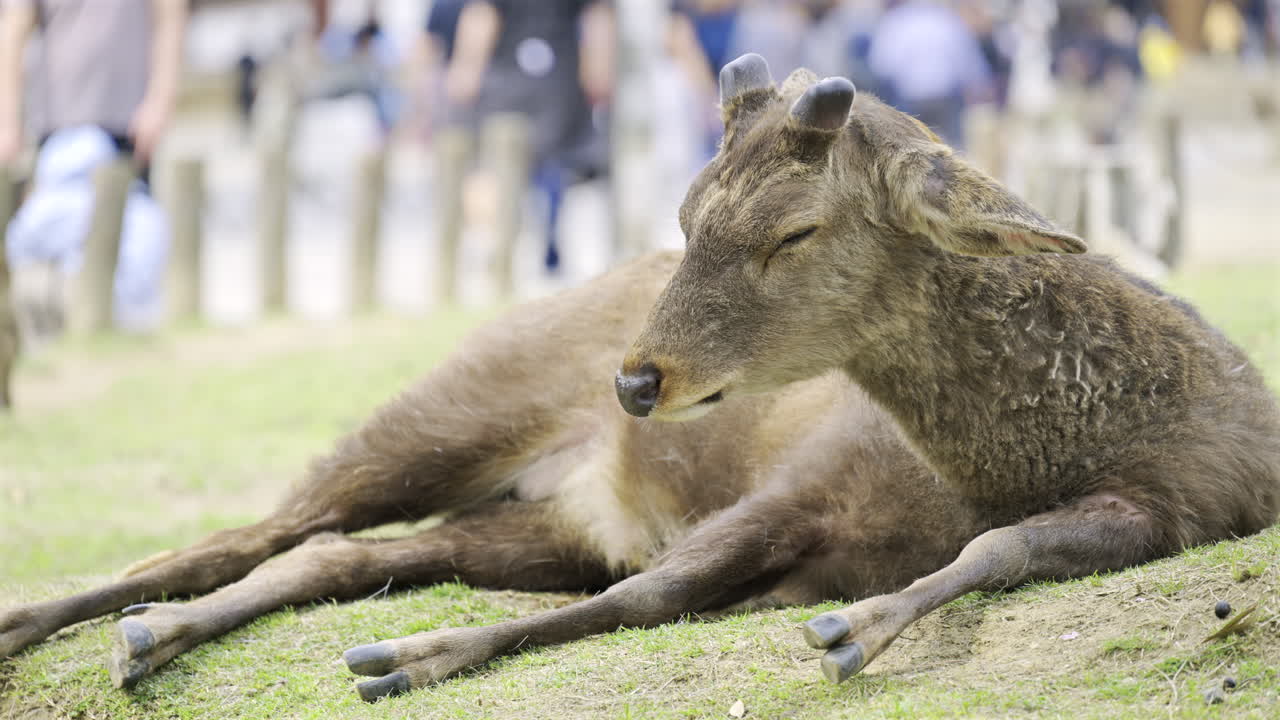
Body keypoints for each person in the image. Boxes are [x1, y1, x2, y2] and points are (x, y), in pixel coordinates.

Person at [0, 0, 186, 332]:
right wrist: (7, 121)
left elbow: (169, 15)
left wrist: (161, 99)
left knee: (130, 256)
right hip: (55, 129)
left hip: (126, 127)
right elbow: (14, 27)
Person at [442, 0, 613, 273]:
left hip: (554, 79)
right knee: (497, 167)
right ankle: (496, 247)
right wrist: (468, 66)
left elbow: (597, 15)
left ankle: (544, 245)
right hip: (516, 77)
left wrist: (466, 68)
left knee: (549, 168)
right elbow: (482, 13)